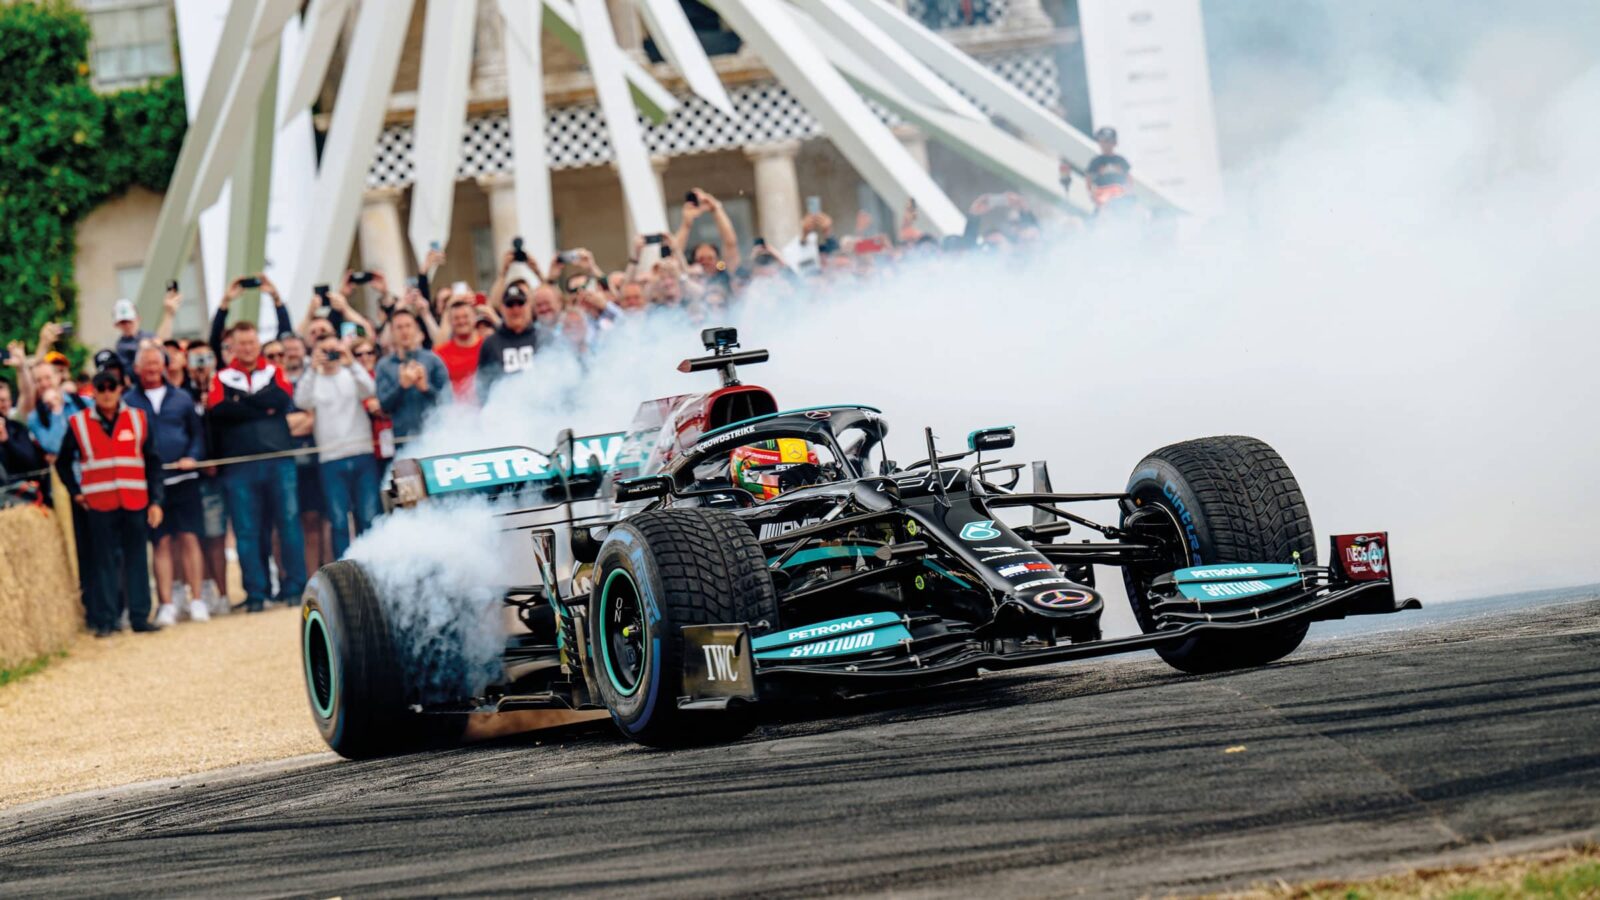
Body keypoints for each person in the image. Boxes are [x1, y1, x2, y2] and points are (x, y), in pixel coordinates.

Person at [55, 369, 166, 636]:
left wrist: (156, 501)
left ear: (120, 389)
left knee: (137, 559)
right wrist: (75, 492)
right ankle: (107, 619)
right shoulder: (78, 423)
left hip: (134, 500)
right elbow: (62, 462)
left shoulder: (139, 419)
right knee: (102, 562)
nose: (106, 393)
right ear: (93, 391)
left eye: (111, 387)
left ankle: (140, 616)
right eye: (101, 388)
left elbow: (153, 463)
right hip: (99, 503)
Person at [206, 320, 305, 613]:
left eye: (252, 342)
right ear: (233, 346)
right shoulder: (221, 377)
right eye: (242, 343)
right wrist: (260, 406)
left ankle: (295, 586)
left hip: (279, 460)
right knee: (247, 532)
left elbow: (282, 399)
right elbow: (219, 412)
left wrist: (241, 404)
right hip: (239, 466)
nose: (247, 348)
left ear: (258, 344)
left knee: (288, 525)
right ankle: (256, 593)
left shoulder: (274, 371)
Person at [126, 346, 208, 626]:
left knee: (189, 537)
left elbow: (197, 435)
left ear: (163, 366)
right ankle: (167, 604)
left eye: (155, 363)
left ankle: (196, 599)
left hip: (184, 480)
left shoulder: (182, 398)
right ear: (137, 369)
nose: (151, 369)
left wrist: (193, 457)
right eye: (146, 364)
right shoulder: (128, 401)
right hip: (151, 484)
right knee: (160, 542)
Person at [295, 333, 380, 559]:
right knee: (339, 520)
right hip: (330, 459)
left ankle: (373, 562)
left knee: (369, 516)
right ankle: (347, 569)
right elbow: (301, 401)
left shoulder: (350, 374)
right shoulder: (314, 379)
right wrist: (312, 369)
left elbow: (369, 389)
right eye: (325, 351)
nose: (330, 355)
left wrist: (351, 361)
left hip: (362, 453)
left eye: (334, 350)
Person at [375, 309, 447, 441]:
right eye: (399, 327)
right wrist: (401, 387)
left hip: (435, 437)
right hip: (403, 440)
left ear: (416, 329)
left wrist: (425, 388)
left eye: (408, 326)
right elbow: (384, 406)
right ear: (392, 332)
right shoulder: (384, 366)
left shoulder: (434, 360)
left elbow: (447, 401)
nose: (404, 331)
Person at [476, 280, 540, 400]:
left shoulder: (544, 338)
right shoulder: (490, 344)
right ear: (502, 309)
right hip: (504, 411)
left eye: (520, 303)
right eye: (510, 304)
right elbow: (483, 385)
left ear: (529, 306)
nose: (515, 310)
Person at [433, 299, 484, 402]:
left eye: (465, 316)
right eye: (456, 318)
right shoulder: (439, 354)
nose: (461, 321)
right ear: (450, 322)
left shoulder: (488, 346)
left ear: (475, 318)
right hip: (454, 413)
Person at [1085, 126, 1133, 212]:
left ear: (1114, 143)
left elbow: (1129, 179)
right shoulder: (1096, 162)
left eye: (1108, 141)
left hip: (1119, 199)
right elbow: (1089, 179)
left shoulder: (1120, 161)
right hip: (1102, 199)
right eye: (1102, 141)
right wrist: (1093, 194)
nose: (1105, 144)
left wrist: (1127, 194)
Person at [111, 299, 156, 372]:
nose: (127, 325)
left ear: (138, 319)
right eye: (123, 322)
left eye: (130, 321)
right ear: (116, 325)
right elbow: (130, 371)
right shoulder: (120, 346)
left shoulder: (150, 335)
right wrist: (142, 350)